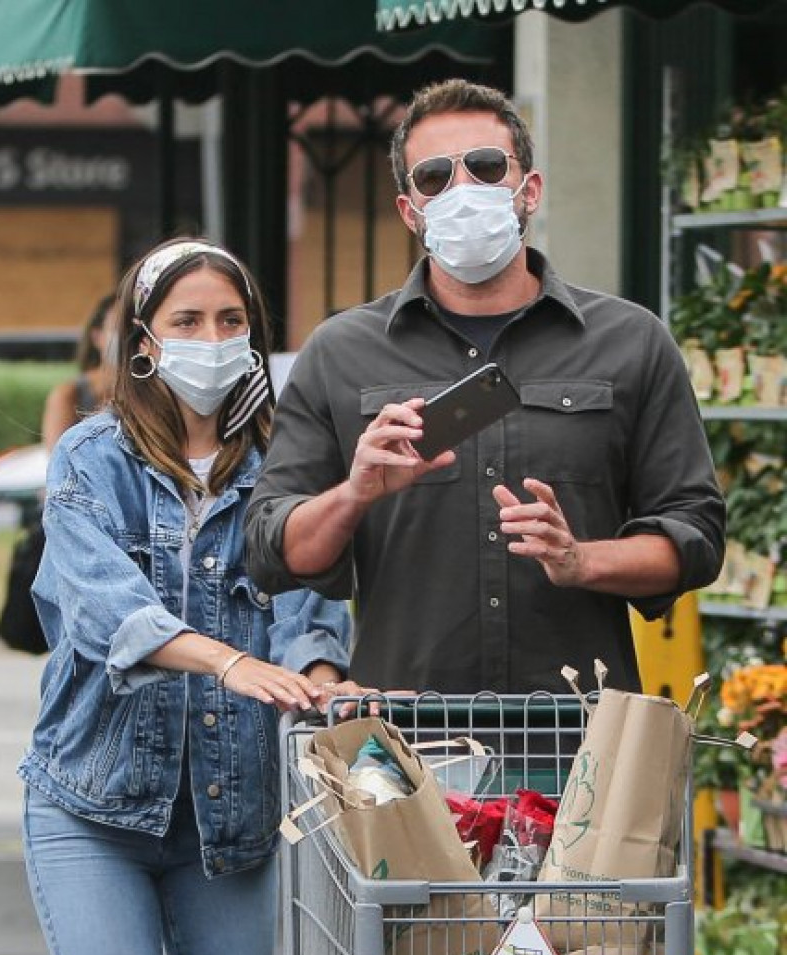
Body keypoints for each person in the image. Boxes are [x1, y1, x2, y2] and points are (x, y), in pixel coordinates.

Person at [246, 78, 725, 696]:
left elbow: (696, 535)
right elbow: (270, 551)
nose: (462, 189)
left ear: (530, 190)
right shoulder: (341, 352)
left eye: (485, 166)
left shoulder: (631, 342)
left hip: (579, 741)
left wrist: (580, 560)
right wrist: (355, 494)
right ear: (408, 210)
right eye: (434, 177)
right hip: (407, 740)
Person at [19, 238, 356, 955]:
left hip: (233, 822)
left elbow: (307, 611)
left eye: (231, 319)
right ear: (145, 341)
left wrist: (322, 677)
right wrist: (228, 662)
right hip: (92, 808)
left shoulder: (286, 471)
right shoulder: (92, 458)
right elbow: (103, 610)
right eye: (188, 320)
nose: (212, 336)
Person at [41, 291, 118, 450]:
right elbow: (58, 461)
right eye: (118, 327)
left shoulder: (153, 390)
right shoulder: (68, 395)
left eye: (133, 327)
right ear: (97, 337)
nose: (127, 336)